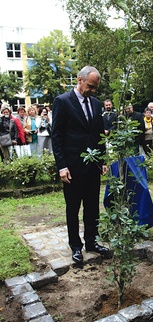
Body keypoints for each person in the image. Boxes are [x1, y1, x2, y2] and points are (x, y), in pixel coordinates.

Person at [52, 65, 110, 264]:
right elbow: (57, 136)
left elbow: (98, 134)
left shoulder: (96, 104)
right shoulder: (62, 101)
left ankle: (92, 242)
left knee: (92, 207)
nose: (93, 91)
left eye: (95, 88)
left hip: (92, 167)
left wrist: (102, 160)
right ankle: (76, 247)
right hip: (72, 167)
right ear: (80, 79)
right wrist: (61, 166)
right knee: (73, 208)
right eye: (91, 86)